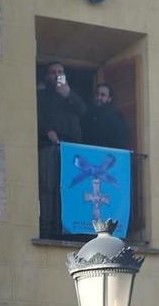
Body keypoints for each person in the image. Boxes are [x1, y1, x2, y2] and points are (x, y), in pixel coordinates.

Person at [37, 61, 90, 238]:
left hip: (72, 149)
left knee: (70, 188)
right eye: (54, 72)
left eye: (61, 72)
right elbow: (37, 116)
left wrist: (68, 95)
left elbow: (83, 111)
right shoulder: (41, 96)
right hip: (50, 146)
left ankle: (68, 230)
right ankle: (47, 229)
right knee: (49, 187)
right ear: (47, 76)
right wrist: (47, 131)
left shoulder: (71, 94)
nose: (58, 75)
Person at [84, 80, 131, 151]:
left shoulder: (116, 116)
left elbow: (122, 141)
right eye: (97, 94)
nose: (99, 97)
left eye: (103, 95)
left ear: (109, 98)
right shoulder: (88, 116)